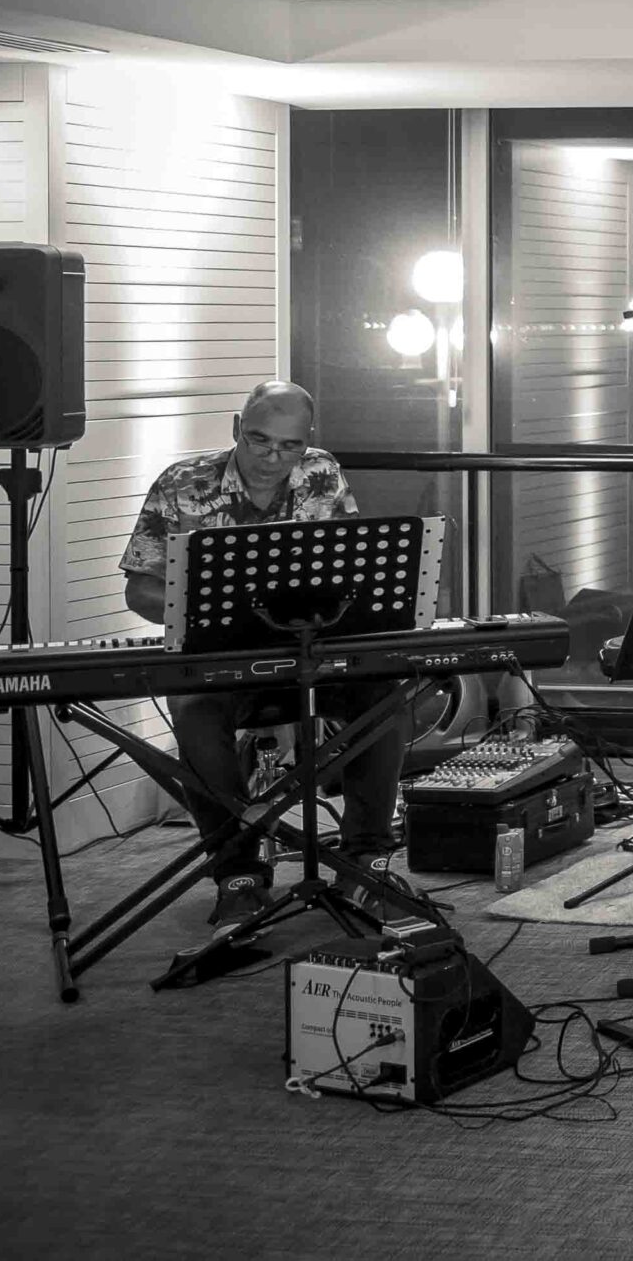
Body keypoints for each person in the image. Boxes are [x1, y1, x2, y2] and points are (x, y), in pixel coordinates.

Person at [118, 381, 405, 927]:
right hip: (222, 667)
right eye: (259, 441)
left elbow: (355, 573)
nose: (274, 458)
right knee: (195, 712)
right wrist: (203, 611)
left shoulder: (322, 472)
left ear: (307, 442)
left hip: (311, 659)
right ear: (236, 429)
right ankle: (239, 875)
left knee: (383, 695)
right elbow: (139, 590)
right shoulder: (182, 483)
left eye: (290, 446)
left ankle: (366, 861)